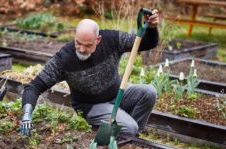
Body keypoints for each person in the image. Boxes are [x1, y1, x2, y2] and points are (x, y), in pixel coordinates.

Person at [20, 10, 160, 137]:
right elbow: (34, 87)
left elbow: (146, 43)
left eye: (87, 45)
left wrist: (152, 28)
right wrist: (26, 114)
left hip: (117, 94)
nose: (81, 49)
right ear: (75, 37)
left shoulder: (112, 39)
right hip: (91, 106)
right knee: (129, 127)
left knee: (149, 92)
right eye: (78, 43)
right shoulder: (64, 59)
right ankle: (119, 131)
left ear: (98, 40)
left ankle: (132, 139)